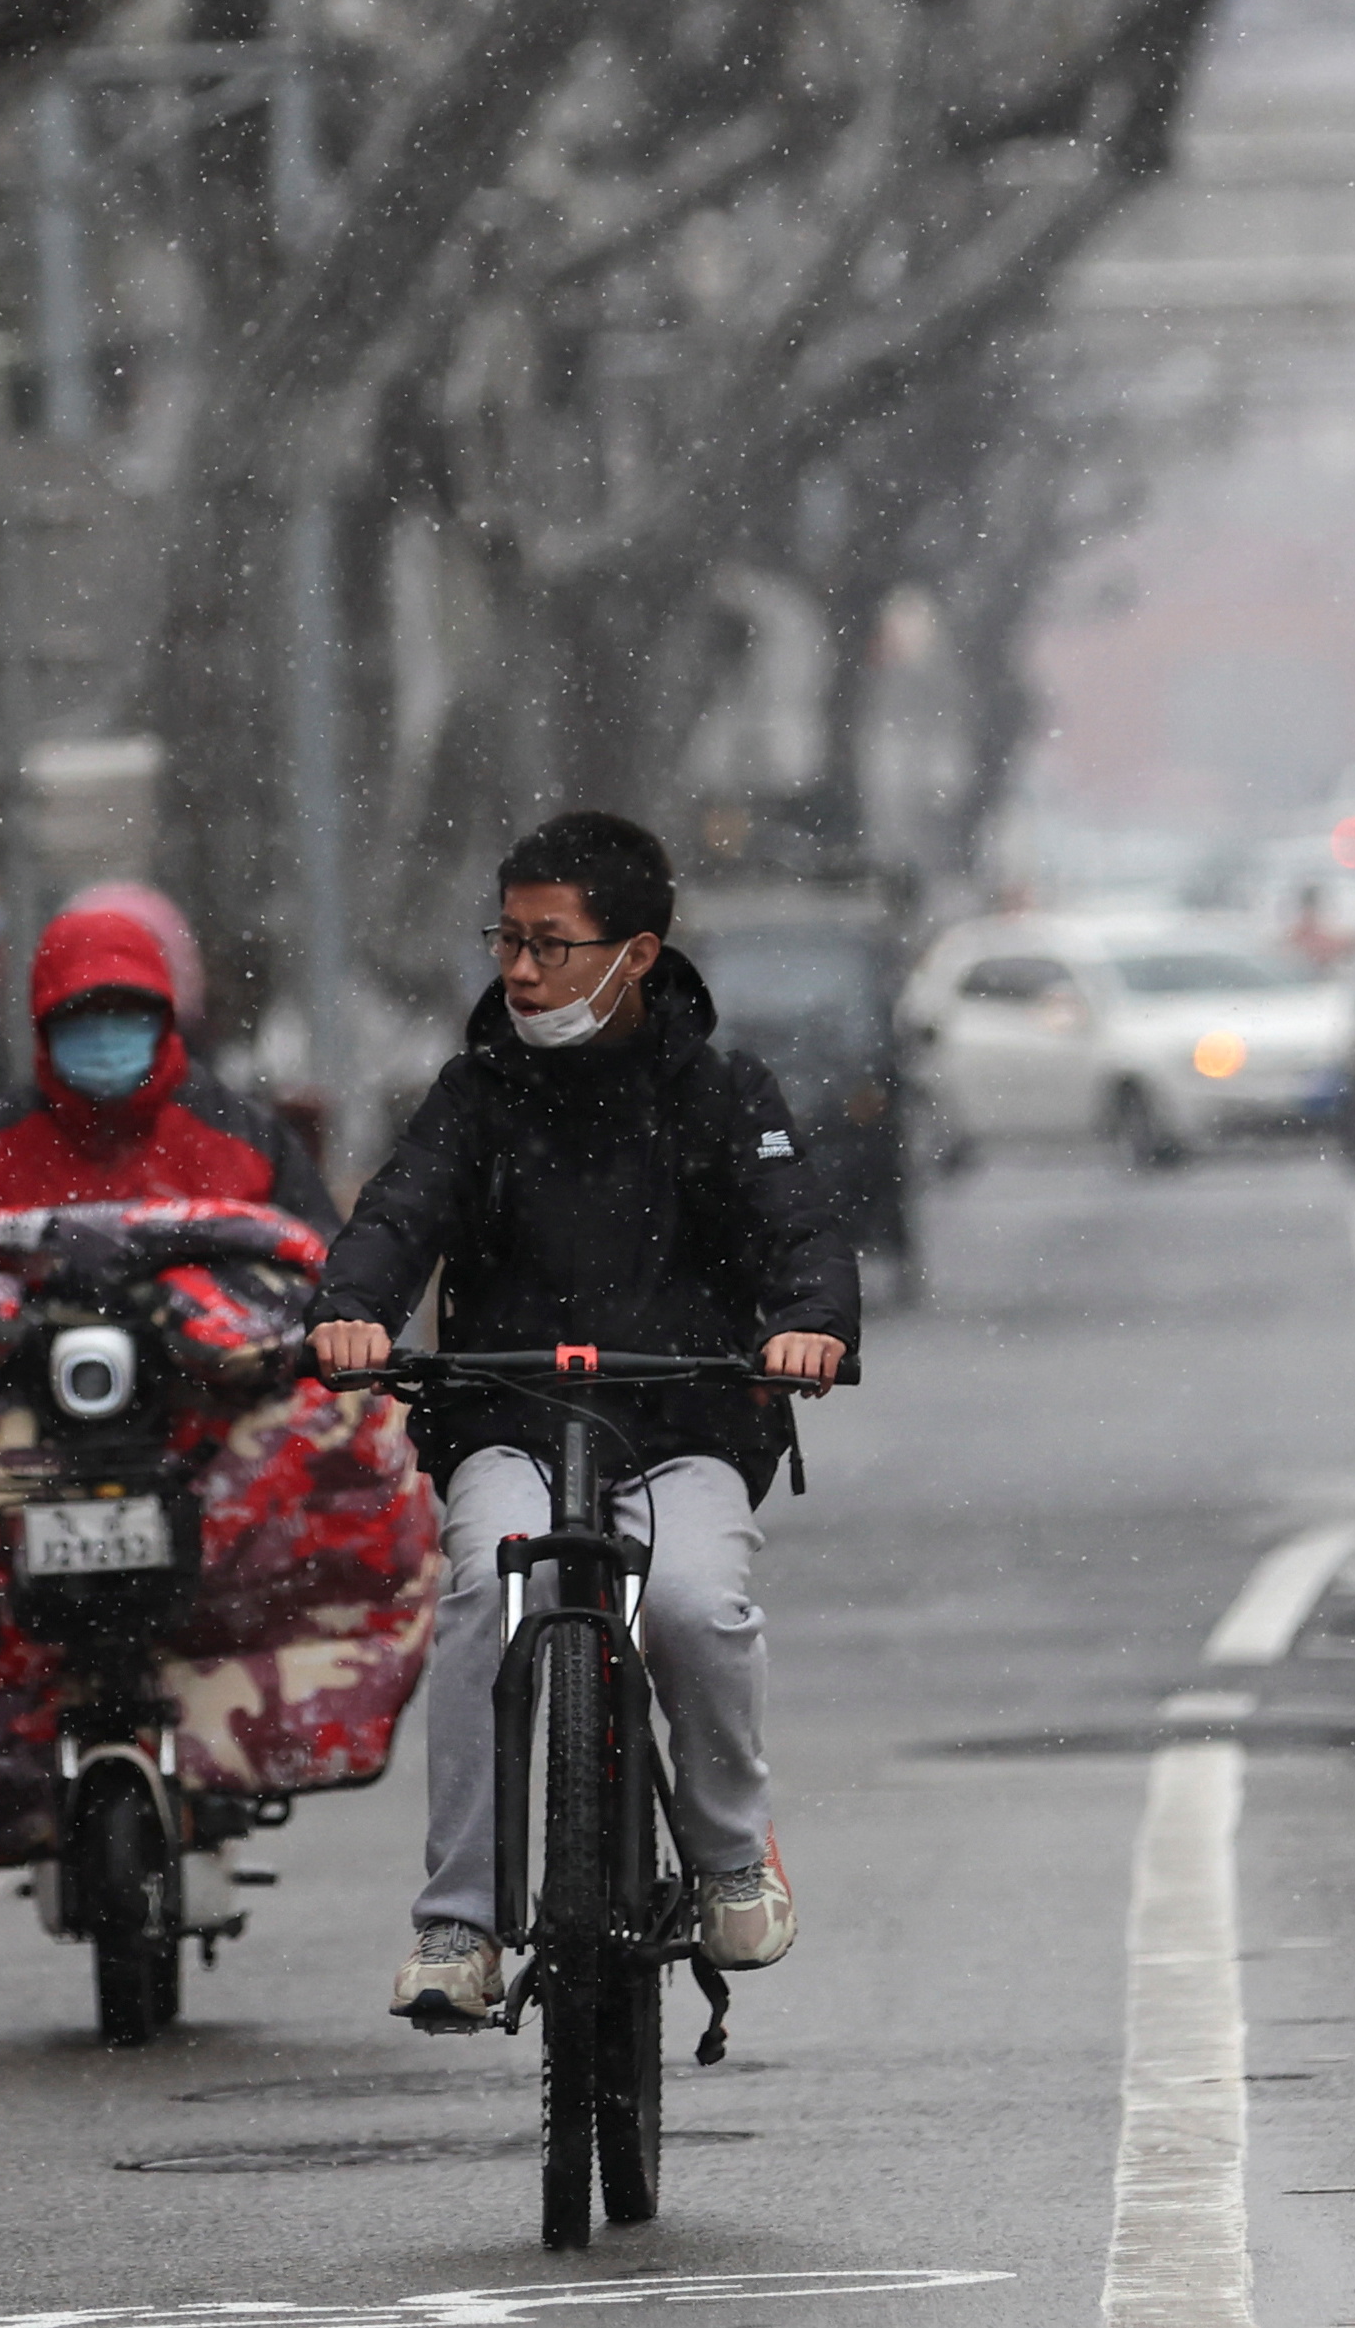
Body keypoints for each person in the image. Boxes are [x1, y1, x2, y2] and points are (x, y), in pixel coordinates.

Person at [304, 810, 857, 2029]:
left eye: (550, 943)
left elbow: (800, 1233)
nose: (517, 968)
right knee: (481, 1598)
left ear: (637, 954)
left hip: (685, 1426)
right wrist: (349, 1308)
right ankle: (457, 1921)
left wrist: (809, 1322)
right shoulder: (474, 1089)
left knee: (691, 1607)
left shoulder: (723, 1091)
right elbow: (397, 1216)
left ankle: (725, 1854)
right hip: (505, 1419)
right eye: (505, 937)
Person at [0, 902, 338, 1234]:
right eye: (82, 1013)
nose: (104, 1034)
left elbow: (318, 1275)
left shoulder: (249, 1143)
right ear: (46, 1025)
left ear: (164, 1018)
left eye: (126, 1012)